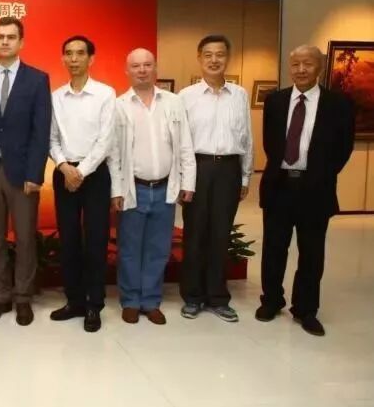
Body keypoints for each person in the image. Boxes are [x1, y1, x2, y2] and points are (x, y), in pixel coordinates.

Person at [256, 44, 355, 336]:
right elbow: (270, 144)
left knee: (311, 253)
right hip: (279, 186)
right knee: (274, 248)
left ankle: (306, 309)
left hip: (315, 190)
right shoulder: (275, 101)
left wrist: (320, 174)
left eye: (307, 64)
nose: (301, 70)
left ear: (319, 67)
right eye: (296, 64)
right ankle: (271, 300)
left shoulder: (338, 104)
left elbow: (343, 148)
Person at [0, 16, 51, 326]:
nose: (5, 41)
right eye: (0, 36)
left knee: (25, 239)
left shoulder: (37, 80)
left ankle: (23, 297)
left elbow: (41, 131)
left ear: (21, 42)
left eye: (11, 37)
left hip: (23, 173)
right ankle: (1, 295)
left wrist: (36, 173)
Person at [109, 48, 196, 325]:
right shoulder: (119, 105)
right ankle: (131, 301)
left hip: (164, 188)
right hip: (133, 188)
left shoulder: (173, 102)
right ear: (127, 71)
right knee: (130, 248)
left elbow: (185, 144)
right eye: (136, 66)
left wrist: (188, 181)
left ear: (155, 68)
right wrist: (116, 190)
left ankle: (151, 301)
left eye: (147, 65)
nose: (142, 70)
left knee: (158, 249)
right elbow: (114, 153)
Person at [178, 35, 253, 322]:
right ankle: (193, 297)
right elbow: (181, 141)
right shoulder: (186, 96)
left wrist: (245, 176)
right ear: (199, 58)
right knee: (195, 234)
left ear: (227, 58)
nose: (214, 60)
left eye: (220, 54)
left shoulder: (240, 95)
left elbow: (246, 138)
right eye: (208, 55)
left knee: (221, 235)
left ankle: (218, 298)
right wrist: (183, 180)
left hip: (229, 169)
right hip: (197, 167)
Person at [48, 35, 115, 332]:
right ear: (63, 58)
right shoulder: (56, 96)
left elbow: (105, 140)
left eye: (80, 53)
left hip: (95, 175)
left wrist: (81, 172)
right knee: (69, 240)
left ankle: (94, 304)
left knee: (96, 240)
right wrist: (65, 167)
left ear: (91, 58)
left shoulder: (105, 94)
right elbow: (51, 138)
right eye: (68, 53)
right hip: (64, 173)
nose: (73, 59)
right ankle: (74, 301)